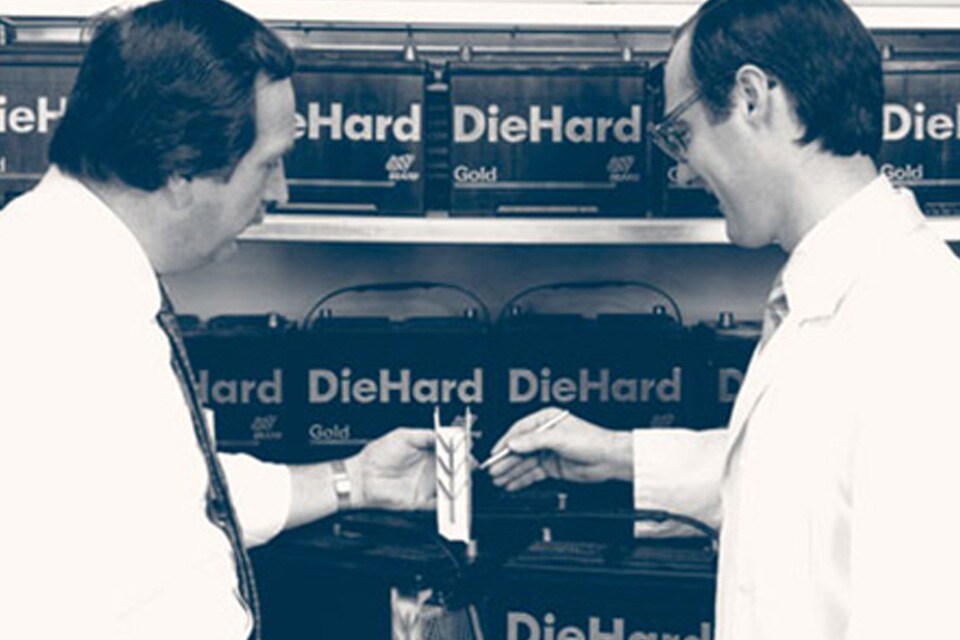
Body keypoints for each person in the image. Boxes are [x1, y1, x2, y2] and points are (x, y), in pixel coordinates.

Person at [487, 1, 960, 638]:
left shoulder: (920, 326)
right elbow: (801, 483)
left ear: (751, 98)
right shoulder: (832, 297)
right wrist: (616, 456)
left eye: (681, 133)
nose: (682, 168)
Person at [0, 1, 435, 638]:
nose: (279, 191)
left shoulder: (78, 269)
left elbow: (160, 492)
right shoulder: (46, 309)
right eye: (269, 163)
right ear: (181, 169)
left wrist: (354, 480)